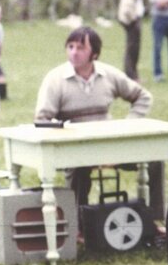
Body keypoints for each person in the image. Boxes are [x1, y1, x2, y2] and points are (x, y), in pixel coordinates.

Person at [34, 27, 154, 208]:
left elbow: (142, 96)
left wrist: (130, 125)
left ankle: (152, 218)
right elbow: (42, 119)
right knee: (78, 169)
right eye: (70, 47)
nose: (74, 53)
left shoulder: (109, 75)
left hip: (109, 146)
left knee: (154, 161)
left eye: (81, 48)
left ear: (95, 54)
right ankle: (78, 224)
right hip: (74, 149)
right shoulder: (55, 79)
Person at [117, 0, 146, 82]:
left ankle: (133, 74)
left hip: (131, 19)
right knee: (132, 48)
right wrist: (133, 19)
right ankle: (131, 76)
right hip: (131, 20)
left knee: (134, 47)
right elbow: (127, 5)